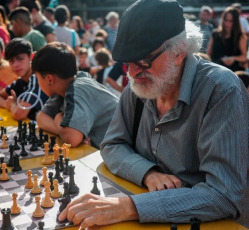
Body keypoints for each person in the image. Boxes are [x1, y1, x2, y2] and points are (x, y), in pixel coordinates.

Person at [58, 0, 249, 228]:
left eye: (143, 60)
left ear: (179, 51)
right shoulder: (138, 86)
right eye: (127, 62)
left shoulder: (221, 90)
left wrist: (130, 206)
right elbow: (112, 144)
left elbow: (224, 194)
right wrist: (148, 173)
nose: (132, 72)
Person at [32, 42, 118, 148]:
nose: (38, 82)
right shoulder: (63, 88)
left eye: (38, 77)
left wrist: (58, 118)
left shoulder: (77, 89)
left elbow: (71, 139)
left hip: (124, 150)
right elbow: (41, 118)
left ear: (50, 79)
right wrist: (63, 129)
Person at [0, 38, 48, 120]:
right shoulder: (20, 81)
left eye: (20, 59)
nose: (15, 65)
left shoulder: (37, 78)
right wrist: (8, 104)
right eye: (11, 61)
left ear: (31, 56)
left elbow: (19, 114)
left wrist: (13, 104)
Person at [207, 7, 247, 72]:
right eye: (226, 20)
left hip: (234, 72)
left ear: (236, 22)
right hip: (217, 71)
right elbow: (208, 54)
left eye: (230, 21)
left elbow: (244, 57)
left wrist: (233, 58)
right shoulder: (215, 34)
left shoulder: (240, 36)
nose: (227, 23)